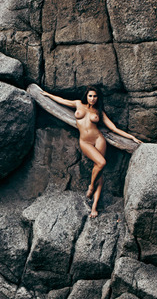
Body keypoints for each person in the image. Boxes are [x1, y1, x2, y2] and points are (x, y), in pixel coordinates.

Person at [38, 86, 142, 218]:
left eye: (95, 96)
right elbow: (61, 100)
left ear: (98, 98)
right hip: (85, 142)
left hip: (99, 140)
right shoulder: (78, 104)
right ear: (86, 96)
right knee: (101, 163)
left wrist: (131, 137)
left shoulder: (99, 112)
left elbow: (114, 128)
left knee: (99, 170)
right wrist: (47, 94)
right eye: (90, 96)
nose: (92, 99)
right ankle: (91, 187)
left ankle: (94, 205)